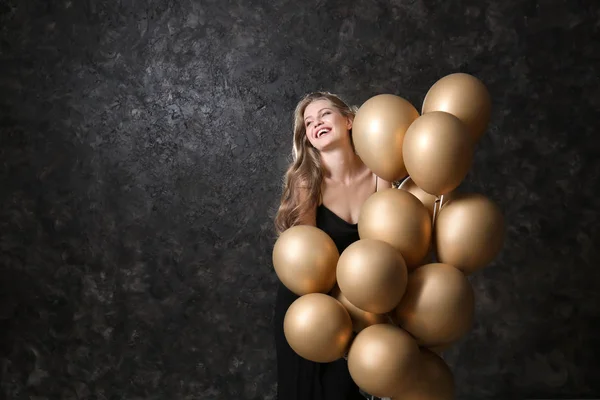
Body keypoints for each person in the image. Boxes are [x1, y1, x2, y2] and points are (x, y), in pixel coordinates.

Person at [272, 91, 393, 400]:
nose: (317, 124)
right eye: (309, 123)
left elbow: (390, 241)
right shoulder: (306, 182)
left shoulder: (380, 173)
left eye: (324, 115)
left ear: (349, 120)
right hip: (311, 303)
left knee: (344, 391)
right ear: (309, 138)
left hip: (360, 299)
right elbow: (308, 261)